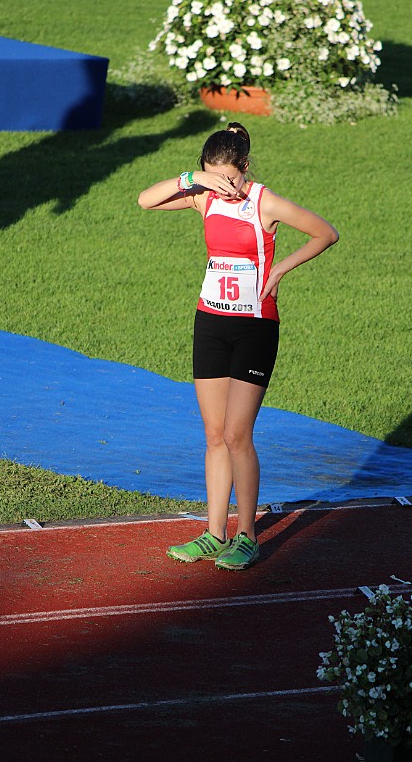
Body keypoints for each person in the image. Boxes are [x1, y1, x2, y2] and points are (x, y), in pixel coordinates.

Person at [138, 122, 338, 570]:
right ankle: (214, 533)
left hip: (254, 327)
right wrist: (194, 182)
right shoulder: (204, 197)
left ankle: (247, 535)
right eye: (212, 176)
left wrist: (281, 268)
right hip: (209, 322)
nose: (222, 186)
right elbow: (145, 200)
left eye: (228, 177)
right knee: (213, 435)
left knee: (236, 434)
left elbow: (325, 232)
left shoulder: (264, 201)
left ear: (244, 167)